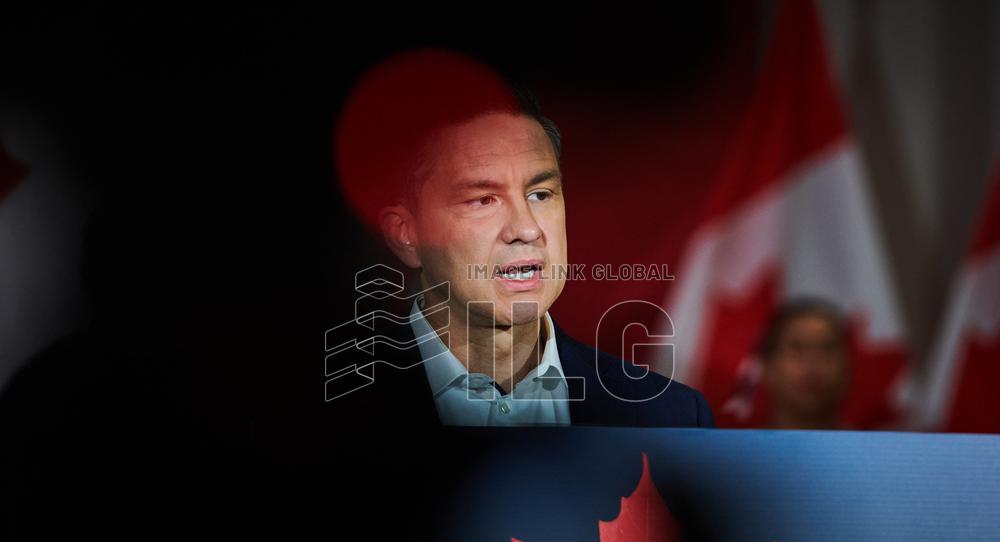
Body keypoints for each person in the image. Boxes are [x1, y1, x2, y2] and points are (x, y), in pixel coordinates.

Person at [331, 49, 714, 428]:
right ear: (406, 235)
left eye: (540, 194)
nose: (526, 229)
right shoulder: (325, 416)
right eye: (483, 199)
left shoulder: (670, 417)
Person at [759, 297, 851, 429]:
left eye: (828, 348)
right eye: (796, 347)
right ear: (768, 368)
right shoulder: (740, 449)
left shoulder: (875, 448)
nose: (813, 361)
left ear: (848, 368)